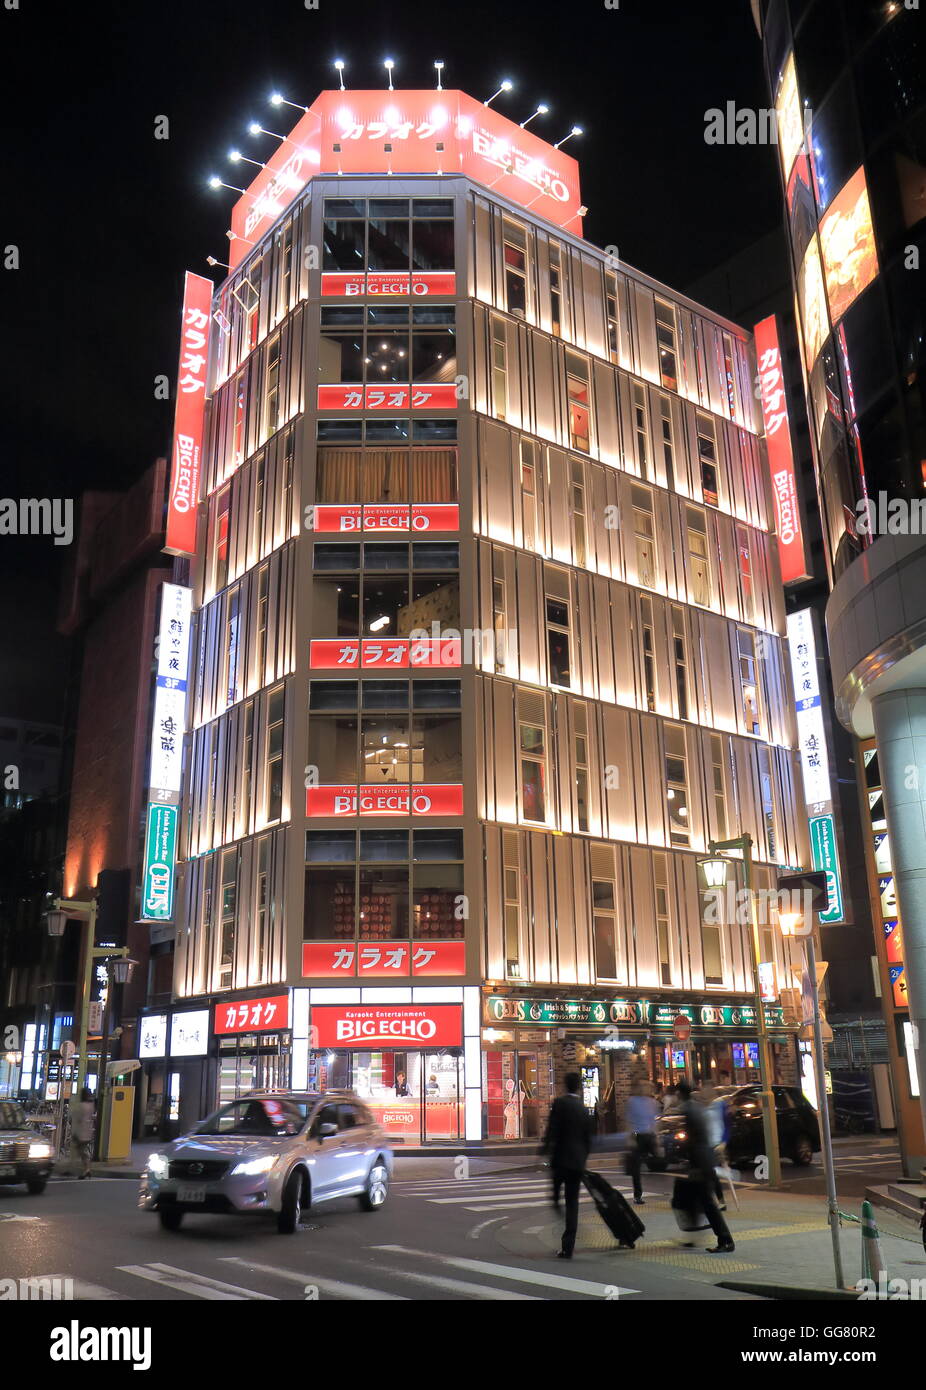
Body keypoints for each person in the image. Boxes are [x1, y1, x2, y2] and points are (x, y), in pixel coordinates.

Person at [539, 1072, 595, 1260]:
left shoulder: (560, 1103)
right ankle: (568, 1246)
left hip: (561, 1159)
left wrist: (544, 1149)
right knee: (573, 1203)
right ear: (578, 1087)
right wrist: (583, 1158)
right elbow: (589, 1139)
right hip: (577, 1163)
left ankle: (557, 1208)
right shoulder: (583, 1109)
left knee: (555, 1193)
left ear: (565, 1085)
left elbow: (552, 1129)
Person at [676, 1081, 734, 1253]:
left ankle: (725, 1240)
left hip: (700, 1162)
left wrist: (689, 1160)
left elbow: (693, 1139)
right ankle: (694, 1238)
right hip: (704, 1159)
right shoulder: (696, 1107)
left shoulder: (689, 1110)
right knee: (696, 1201)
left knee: (707, 1203)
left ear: (679, 1094)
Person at [624, 1081, 659, 1205]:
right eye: (644, 1086)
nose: (648, 1089)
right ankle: (637, 1195)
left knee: (659, 1161)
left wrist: (657, 1138)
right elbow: (629, 1121)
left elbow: (654, 1121)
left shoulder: (653, 1102)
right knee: (636, 1168)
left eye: (649, 1087)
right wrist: (631, 1138)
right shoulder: (632, 1101)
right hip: (638, 1136)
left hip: (649, 1136)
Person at [698, 1082, 729, 1210]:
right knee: (706, 1173)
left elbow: (727, 1124)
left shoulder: (720, 1104)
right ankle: (711, 1200)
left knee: (711, 1173)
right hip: (705, 1144)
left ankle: (720, 1201)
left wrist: (723, 1143)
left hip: (716, 1144)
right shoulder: (701, 1107)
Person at [70, 1088, 96, 1179]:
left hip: (80, 1131)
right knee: (83, 1151)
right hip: (88, 1131)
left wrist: (74, 1132)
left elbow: (77, 1119)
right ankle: (86, 1169)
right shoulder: (91, 1105)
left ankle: (86, 1169)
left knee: (81, 1151)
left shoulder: (81, 1106)